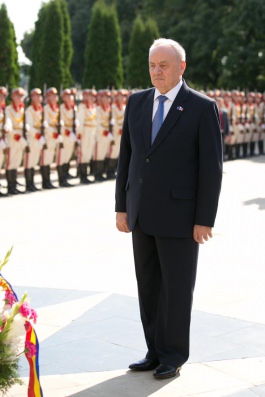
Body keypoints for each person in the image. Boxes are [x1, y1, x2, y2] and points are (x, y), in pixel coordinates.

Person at [115, 38, 222, 380]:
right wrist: (121, 207)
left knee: (176, 288)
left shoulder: (202, 107)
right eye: (152, 65)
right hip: (141, 212)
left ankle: (173, 355)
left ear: (181, 68)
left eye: (164, 65)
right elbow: (127, 158)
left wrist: (204, 219)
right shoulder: (136, 102)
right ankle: (154, 350)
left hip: (180, 216)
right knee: (148, 286)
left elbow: (211, 168)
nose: (156, 71)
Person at [5, 87, 28, 195]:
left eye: (21, 96)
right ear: (13, 97)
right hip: (13, 139)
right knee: (10, 163)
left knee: (17, 162)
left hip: (21, 138)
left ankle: (14, 184)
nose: (19, 98)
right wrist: (17, 136)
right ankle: (10, 186)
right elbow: (9, 125)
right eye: (17, 96)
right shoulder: (9, 110)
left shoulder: (23, 110)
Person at [24, 88, 46, 192]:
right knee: (29, 161)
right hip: (33, 138)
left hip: (39, 139)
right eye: (35, 96)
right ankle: (28, 184)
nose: (38, 98)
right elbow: (29, 127)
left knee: (34, 161)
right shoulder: (30, 110)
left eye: (39, 96)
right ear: (32, 98)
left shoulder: (41, 109)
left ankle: (32, 183)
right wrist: (38, 136)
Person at [76, 88, 97, 184]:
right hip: (85, 133)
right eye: (89, 96)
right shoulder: (82, 108)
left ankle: (85, 174)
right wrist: (79, 136)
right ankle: (82, 175)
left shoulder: (93, 108)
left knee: (88, 154)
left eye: (92, 96)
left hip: (91, 133)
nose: (91, 98)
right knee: (83, 155)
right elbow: (80, 123)